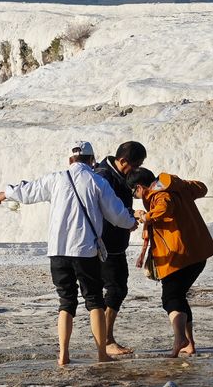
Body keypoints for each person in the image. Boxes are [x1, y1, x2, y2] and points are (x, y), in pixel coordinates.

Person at [0, 140, 137, 366]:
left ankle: (63, 354)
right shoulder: (97, 181)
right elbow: (116, 214)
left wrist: (6, 193)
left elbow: (28, 191)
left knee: (66, 301)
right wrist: (130, 223)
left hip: (57, 251)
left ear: (70, 160)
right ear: (91, 160)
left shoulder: (56, 179)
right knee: (94, 301)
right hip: (85, 250)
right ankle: (101, 353)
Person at [128, 167, 213, 357]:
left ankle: (179, 339)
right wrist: (181, 184)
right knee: (180, 296)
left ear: (139, 187)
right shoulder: (177, 186)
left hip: (178, 256)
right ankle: (189, 344)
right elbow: (201, 188)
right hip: (198, 253)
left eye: (133, 192)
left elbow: (165, 207)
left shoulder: (159, 195)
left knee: (171, 298)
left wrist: (144, 216)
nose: (135, 196)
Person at [94, 140, 147, 356]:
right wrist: (130, 215)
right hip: (107, 243)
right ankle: (106, 341)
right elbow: (107, 208)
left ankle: (104, 339)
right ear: (122, 160)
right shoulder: (105, 176)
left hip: (112, 241)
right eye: (135, 165)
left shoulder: (115, 174)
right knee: (116, 289)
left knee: (108, 290)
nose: (136, 170)